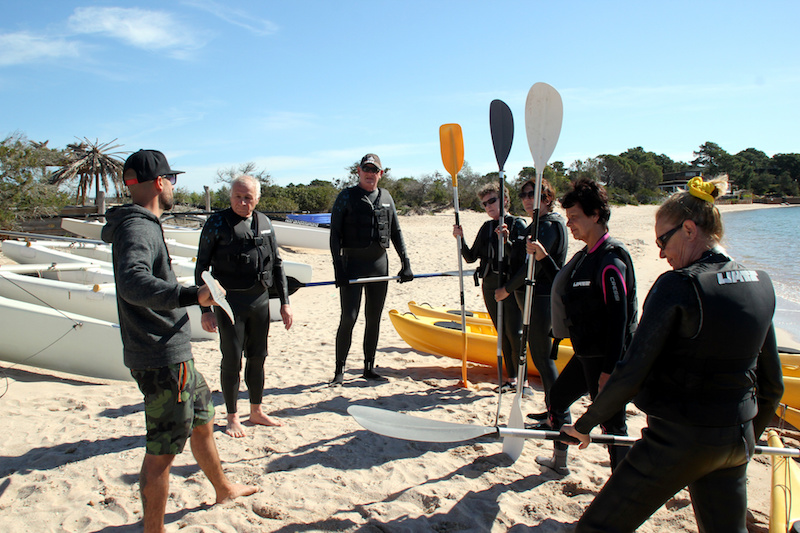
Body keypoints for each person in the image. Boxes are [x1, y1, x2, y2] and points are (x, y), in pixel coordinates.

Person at [562, 177, 783, 533]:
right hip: (737, 439)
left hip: (678, 442)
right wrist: (745, 440)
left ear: (690, 229)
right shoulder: (761, 283)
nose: (661, 254)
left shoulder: (678, 285)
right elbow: (773, 385)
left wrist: (585, 425)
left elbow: (632, 371)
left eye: (663, 241)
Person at [102, 149, 256, 533]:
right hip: (161, 357)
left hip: (173, 353)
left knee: (202, 418)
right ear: (159, 183)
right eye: (170, 179)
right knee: (162, 453)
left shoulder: (140, 222)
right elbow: (133, 283)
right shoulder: (138, 227)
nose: (173, 185)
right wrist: (193, 296)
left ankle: (223, 489)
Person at [527, 178, 637, 475]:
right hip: (585, 353)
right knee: (558, 399)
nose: (569, 224)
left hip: (605, 358)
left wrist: (609, 371)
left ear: (596, 216)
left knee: (613, 425)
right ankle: (560, 462)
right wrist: (544, 258)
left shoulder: (611, 260)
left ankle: (621, 488)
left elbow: (620, 320)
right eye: (567, 217)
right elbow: (566, 285)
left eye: (574, 217)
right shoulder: (584, 256)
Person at [195, 174, 293, 438]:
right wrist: (205, 310)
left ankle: (256, 411)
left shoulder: (265, 223)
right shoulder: (217, 223)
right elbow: (201, 267)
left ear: (257, 198)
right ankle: (232, 416)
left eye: (248, 197)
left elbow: (277, 264)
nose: (242, 202)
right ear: (230, 197)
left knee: (258, 357)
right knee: (231, 359)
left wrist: (284, 303)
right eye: (237, 196)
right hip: (228, 304)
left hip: (259, 301)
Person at [330, 153, 413, 385]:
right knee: (349, 317)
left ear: (381, 173)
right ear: (358, 171)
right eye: (366, 169)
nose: (370, 173)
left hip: (379, 265)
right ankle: (339, 370)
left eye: (374, 170)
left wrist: (405, 262)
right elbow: (335, 234)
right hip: (352, 265)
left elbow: (396, 231)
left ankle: (368, 368)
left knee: (373, 318)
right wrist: (339, 268)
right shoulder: (346, 196)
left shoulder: (386, 197)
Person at [496, 178, 568, 414]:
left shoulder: (548, 225)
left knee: (543, 358)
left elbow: (533, 267)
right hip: (531, 296)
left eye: (532, 194)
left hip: (541, 298)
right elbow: (520, 259)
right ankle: (552, 408)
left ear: (547, 198)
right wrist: (506, 242)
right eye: (524, 195)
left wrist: (506, 289)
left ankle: (558, 413)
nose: (527, 199)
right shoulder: (536, 224)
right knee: (539, 357)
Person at [453, 182, 528, 391]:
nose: (488, 207)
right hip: (490, 285)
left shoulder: (517, 225)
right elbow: (470, 257)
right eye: (485, 204)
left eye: (492, 201)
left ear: (505, 199)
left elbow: (522, 261)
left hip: (511, 285)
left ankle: (523, 380)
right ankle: (511, 378)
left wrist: (507, 241)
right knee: (501, 331)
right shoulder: (486, 227)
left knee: (515, 333)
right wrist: (460, 238)